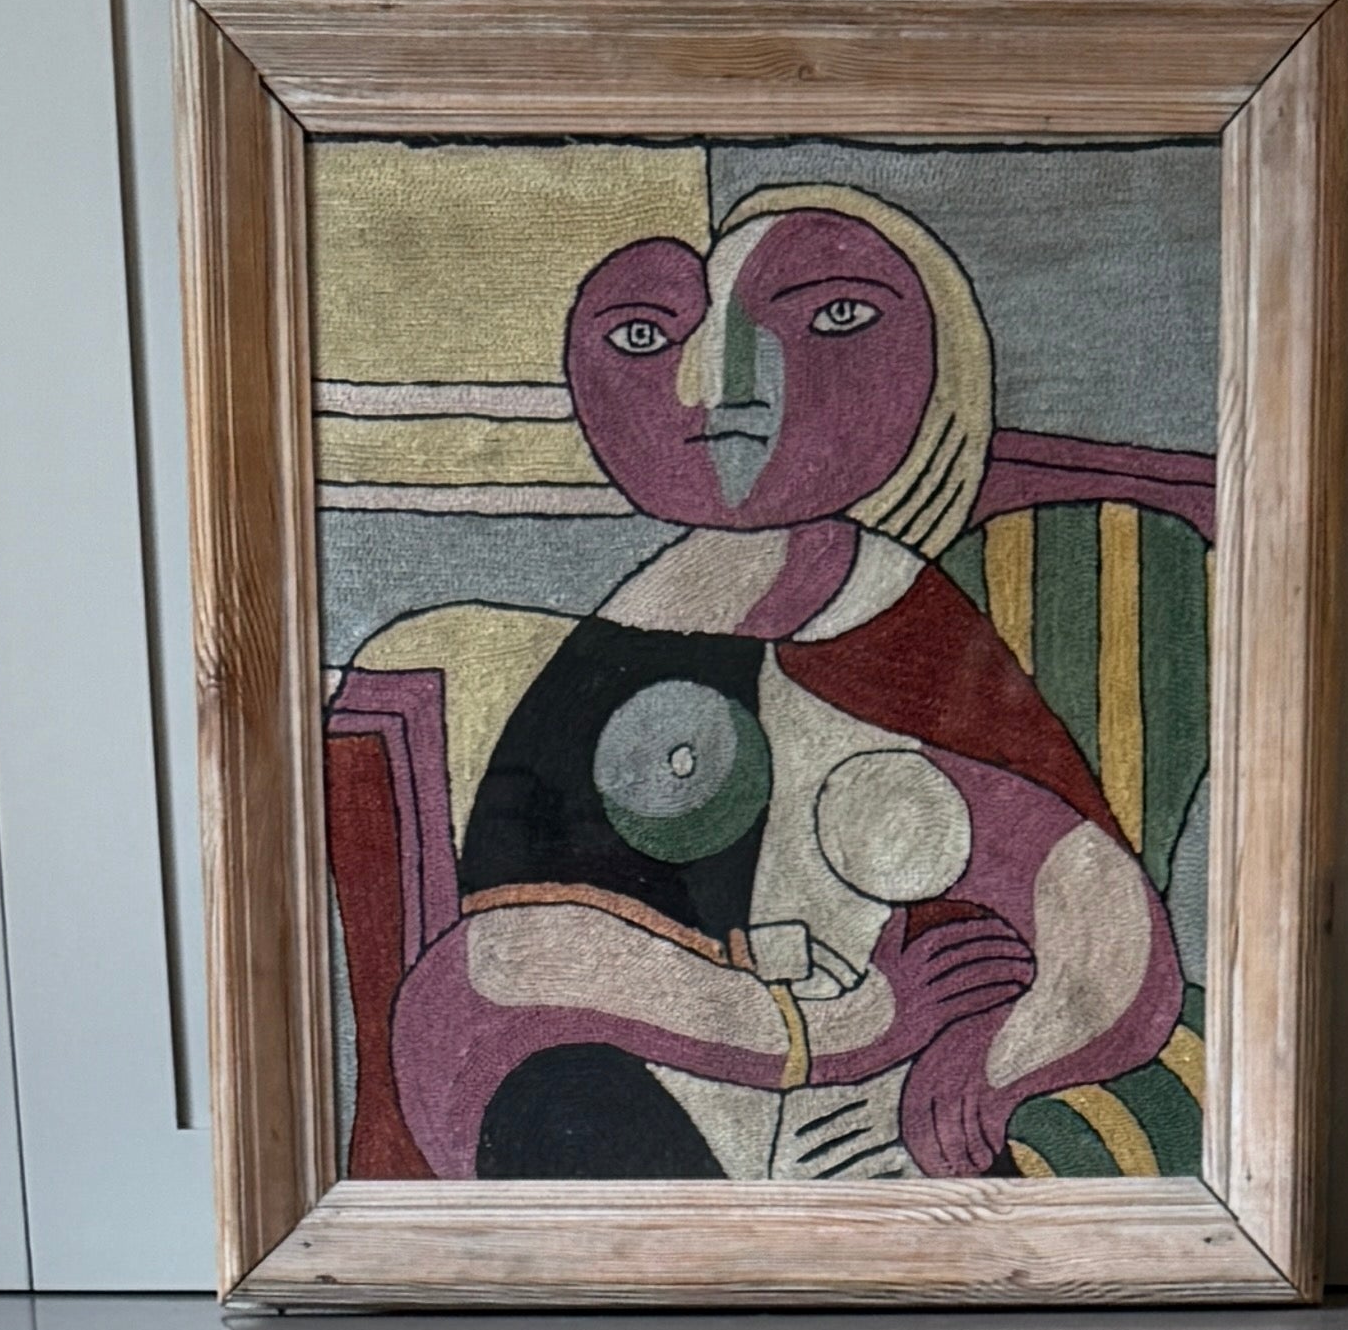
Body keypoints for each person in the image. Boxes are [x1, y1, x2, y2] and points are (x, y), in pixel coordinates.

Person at [362, 187, 1184, 1182]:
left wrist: (989, 1068)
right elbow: (502, 967)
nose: (722, 389)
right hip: (660, 1109)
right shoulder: (628, 638)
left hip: (875, 1142)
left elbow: (1104, 930)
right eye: (645, 336)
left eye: (832, 318)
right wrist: (832, 1029)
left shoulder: (899, 625)